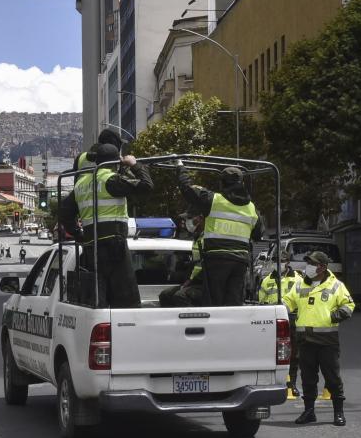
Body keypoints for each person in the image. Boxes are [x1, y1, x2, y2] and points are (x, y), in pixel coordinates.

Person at [58, 131, 154, 308]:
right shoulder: (111, 180)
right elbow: (147, 186)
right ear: (115, 161)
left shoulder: (81, 183)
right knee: (127, 299)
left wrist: (79, 235)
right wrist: (135, 165)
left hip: (91, 246)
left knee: (98, 295)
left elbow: (64, 212)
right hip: (114, 245)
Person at [282, 251, 354, 427]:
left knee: (332, 378)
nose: (309, 267)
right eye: (308, 263)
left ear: (322, 267)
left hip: (327, 341)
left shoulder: (335, 285)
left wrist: (333, 316)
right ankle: (309, 412)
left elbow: (349, 305)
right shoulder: (299, 286)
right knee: (307, 378)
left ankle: (338, 413)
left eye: (312, 264)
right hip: (305, 340)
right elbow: (287, 301)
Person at [175, 164, 263, 306]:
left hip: (217, 260)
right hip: (240, 262)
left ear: (222, 183)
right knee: (233, 302)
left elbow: (187, 189)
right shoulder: (252, 208)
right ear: (242, 184)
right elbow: (259, 234)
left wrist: (181, 169)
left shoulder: (213, 199)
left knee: (213, 302)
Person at [258, 251, 304, 397]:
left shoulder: (298, 279)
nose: (280, 263)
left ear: (288, 262)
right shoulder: (266, 280)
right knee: (272, 353)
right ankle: (272, 383)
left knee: (293, 354)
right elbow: (261, 302)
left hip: (292, 318)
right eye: (277, 260)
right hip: (272, 319)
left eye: (282, 260)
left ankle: (291, 384)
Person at [159, 206, 206, 307]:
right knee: (165, 295)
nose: (186, 221)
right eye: (185, 219)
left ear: (201, 218)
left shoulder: (207, 238)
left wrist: (189, 281)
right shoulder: (197, 238)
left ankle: (192, 322)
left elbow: (201, 265)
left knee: (180, 296)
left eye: (189, 218)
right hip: (194, 281)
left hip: (204, 282)